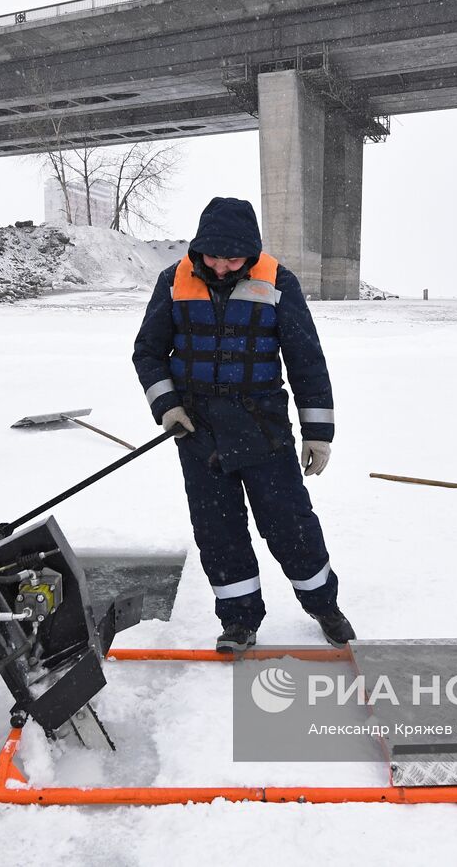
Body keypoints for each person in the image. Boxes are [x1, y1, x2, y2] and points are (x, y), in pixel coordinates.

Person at [133, 196, 354, 653]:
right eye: (212, 257)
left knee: (290, 524)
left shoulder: (277, 280)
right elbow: (148, 352)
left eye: (232, 259)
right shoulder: (172, 281)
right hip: (197, 431)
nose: (219, 267)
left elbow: (305, 359)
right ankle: (238, 621)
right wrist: (168, 405)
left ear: (250, 254)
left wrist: (317, 432)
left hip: (262, 425)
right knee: (217, 531)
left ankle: (323, 605)